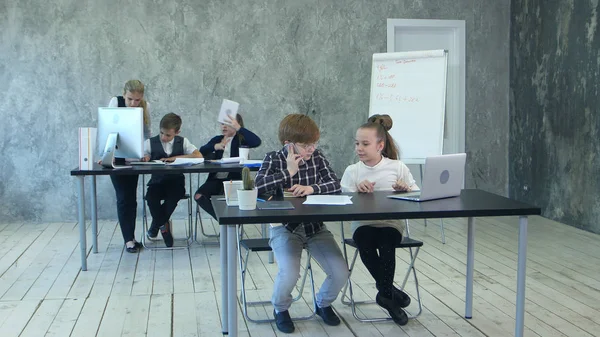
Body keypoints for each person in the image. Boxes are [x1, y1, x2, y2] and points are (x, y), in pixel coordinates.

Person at [255, 114, 349, 334]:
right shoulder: (273, 158)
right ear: (289, 145)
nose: (312, 149)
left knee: (340, 272)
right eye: (306, 145)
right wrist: (288, 172)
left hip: (315, 228)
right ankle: (280, 309)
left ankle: (323, 304)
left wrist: (312, 189)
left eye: (314, 144)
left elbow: (335, 184)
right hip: (284, 228)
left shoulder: (318, 158)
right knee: (289, 273)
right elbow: (257, 187)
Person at [340, 114, 419, 326]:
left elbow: (416, 194)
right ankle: (388, 293)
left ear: (380, 145)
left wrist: (406, 189)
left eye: (365, 144)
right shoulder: (352, 171)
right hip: (363, 224)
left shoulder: (397, 167)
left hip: (390, 223)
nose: (359, 148)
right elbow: (341, 199)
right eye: (357, 143)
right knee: (366, 242)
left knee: (386, 242)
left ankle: (385, 293)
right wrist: (356, 191)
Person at [143, 113, 202, 247]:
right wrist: (145, 157)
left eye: (168, 135)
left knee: (173, 197)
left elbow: (198, 155)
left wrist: (176, 158)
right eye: (161, 133)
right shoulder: (150, 142)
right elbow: (141, 154)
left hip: (176, 182)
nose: (164, 137)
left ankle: (155, 226)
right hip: (157, 182)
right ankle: (164, 226)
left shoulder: (183, 141)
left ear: (177, 132)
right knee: (151, 198)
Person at [107, 79, 151, 253]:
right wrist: (104, 154)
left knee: (131, 198)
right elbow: (106, 128)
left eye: (137, 100)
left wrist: (146, 152)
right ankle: (128, 241)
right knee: (123, 197)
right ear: (123, 95)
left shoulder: (145, 107)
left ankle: (131, 237)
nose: (133, 103)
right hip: (116, 157)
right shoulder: (115, 102)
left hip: (134, 157)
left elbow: (147, 133)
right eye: (130, 99)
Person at [194, 113, 261, 220]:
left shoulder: (241, 140)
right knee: (199, 196)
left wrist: (239, 128)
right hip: (216, 179)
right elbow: (202, 151)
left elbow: (257, 142)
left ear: (235, 125)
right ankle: (225, 221)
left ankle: (230, 222)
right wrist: (215, 146)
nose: (223, 127)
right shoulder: (217, 139)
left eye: (228, 124)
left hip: (234, 180)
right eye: (222, 124)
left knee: (229, 201)